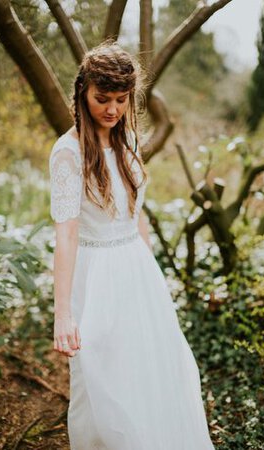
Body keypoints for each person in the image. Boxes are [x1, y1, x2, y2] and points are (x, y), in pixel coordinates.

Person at [49, 40, 215, 450]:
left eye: (121, 100)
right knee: (105, 385)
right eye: (102, 99)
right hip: (97, 275)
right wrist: (63, 314)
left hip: (138, 271)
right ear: (82, 92)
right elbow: (66, 234)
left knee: (153, 373)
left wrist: (154, 277)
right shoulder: (67, 153)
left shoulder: (130, 144)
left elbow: (136, 216)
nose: (112, 109)